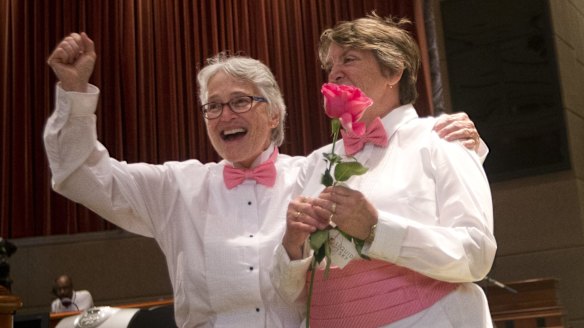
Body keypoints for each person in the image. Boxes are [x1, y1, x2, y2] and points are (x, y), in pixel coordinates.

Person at [44, 32, 483, 327]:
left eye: (239, 101)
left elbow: (385, 164)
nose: (224, 115)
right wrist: (73, 95)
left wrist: (456, 142)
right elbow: (81, 176)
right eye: (212, 106)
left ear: (273, 115)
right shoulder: (174, 188)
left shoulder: (315, 171)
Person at [271, 13, 496, 328]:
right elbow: (288, 297)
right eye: (330, 65)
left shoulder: (442, 139)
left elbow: (477, 254)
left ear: (393, 71)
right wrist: (293, 246)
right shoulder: (316, 163)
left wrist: (377, 229)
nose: (334, 72)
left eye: (348, 59)